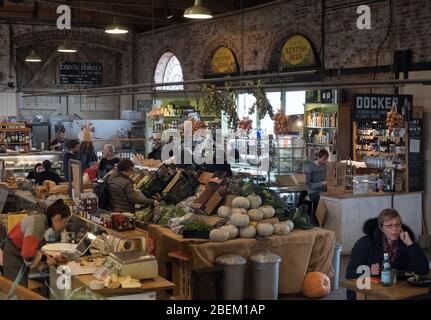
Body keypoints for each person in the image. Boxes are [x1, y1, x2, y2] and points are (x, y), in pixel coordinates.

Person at [345, 209, 430, 300]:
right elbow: (350, 273)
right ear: (381, 228)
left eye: (397, 225)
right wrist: (370, 271)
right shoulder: (366, 243)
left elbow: (423, 269)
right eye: (389, 226)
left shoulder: (404, 242)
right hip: (367, 291)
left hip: (396, 290)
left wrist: (410, 244)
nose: (394, 229)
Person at [1, 199, 71, 287]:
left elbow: (33, 248)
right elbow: (28, 255)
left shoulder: (42, 220)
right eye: (65, 222)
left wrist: (53, 258)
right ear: (58, 218)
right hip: (13, 255)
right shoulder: (37, 223)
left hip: (17, 253)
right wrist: (46, 259)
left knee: (21, 290)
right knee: (18, 292)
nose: (64, 227)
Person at [305, 149, 329, 223]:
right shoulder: (310, 167)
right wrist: (322, 183)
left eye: (326, 159)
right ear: (319, 157)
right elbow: (308, 185)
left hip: (323, 191)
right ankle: (316, 221)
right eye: (324, 159)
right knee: (323, 201)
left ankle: (325, 222)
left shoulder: (324, 166)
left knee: (331, 200)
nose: (325, 161)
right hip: (314, 192)